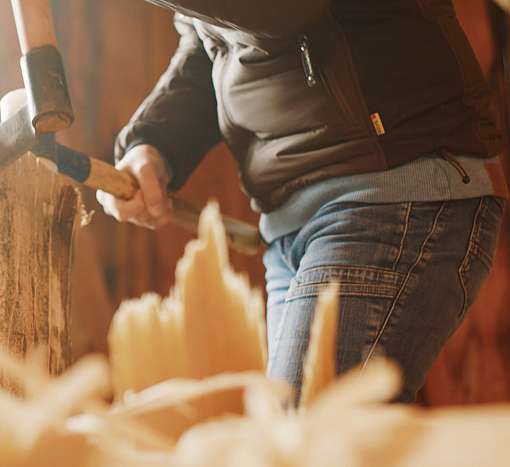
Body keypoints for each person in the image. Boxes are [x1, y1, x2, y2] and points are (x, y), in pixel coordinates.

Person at [96, 0, 508, 403]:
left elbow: (276, 10)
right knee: (303, 439)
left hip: (391, 195)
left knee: (302, 439)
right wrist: (153, 143)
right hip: (293, 225)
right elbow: (215, 44)